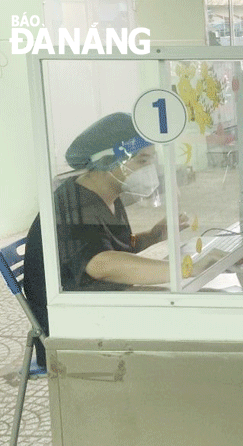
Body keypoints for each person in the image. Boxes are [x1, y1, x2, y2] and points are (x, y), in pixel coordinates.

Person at [23, 113, 186, 368]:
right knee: (181, 317)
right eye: (143, 160)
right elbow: (101, 265)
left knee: (180, 306)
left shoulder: (108, 193)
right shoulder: (72, 204)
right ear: (111, 160)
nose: (150, 170)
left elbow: (114, 247)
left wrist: (155, 234)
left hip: (98, 306)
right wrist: (184, 269)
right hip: (70, 327)